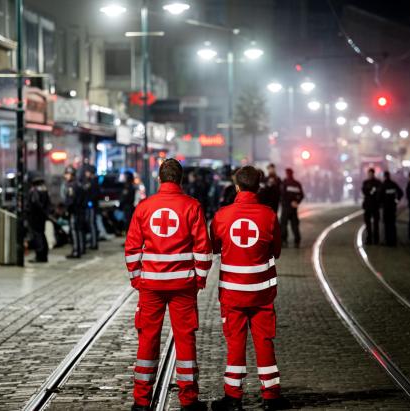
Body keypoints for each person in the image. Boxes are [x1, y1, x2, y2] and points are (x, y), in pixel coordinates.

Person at [124, 159, 212, 411]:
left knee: (147, 338)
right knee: (185, 339)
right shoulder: (192, 206)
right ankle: (189, 400)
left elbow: (131, 247)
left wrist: (137, 277)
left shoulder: (144, 207)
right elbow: (202, 248)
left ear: (160, 179)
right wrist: (200, 278)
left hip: (150, 286)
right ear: (181, 179)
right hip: (183, 285)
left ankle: (141, 400)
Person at [210, 166, 287, 411]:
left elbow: (213, 247)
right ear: (258, 187)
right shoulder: (269, 215)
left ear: (237, 187)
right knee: (264, 340)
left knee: (235, 342)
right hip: (262, 292)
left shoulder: (222, 215)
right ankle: (271, 396)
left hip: (232, 293)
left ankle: (233, 397)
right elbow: (276, 251)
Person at [26, 174, 51, 263]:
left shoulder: (34, 191)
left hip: (35, 216)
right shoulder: (44, 189)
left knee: (37, 235)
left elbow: (35, 203)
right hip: (42, 216)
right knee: (42, 234)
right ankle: (44, 254)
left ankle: (40, 255)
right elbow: (48, 204)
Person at [63, 166, 85, 258]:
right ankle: (81, 249)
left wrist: (67, 210)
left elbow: (70, 200)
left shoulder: (71, 186)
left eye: (68, 174)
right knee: (79, 230)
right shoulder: (78, 184)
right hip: (79, 210)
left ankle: (76, 251)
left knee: (74, 231)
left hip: (74, 211)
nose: (66, 176)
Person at [280, 168, 304, 248]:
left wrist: (290, 202)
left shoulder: (284, 183)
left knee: (283, 224)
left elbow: (282, 195)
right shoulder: (297, 183)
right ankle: (297, 241)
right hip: (294, 209)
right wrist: (296, 202)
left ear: (286, 174)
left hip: (286, 208)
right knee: (295, 225)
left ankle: (284, 241)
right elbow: (301, 195)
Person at [380, 171, 403, 246]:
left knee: (386, 224)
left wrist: (382, 203)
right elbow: (401, 193)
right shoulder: (393, 184)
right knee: (392, 224)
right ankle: (393, 240)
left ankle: (387, 241)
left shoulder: (383, 185)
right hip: (393, 207)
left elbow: (378, 196)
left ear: (384, 176)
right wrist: (396, 201)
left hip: (386, 208)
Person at [362, 168, 382, 245]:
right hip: (367, 205)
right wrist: (372, 191)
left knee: (376, 224)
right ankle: (369, 239)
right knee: (368, 224)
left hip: (375, 206)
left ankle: (376, 239)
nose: (370, 175)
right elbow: (364, 192)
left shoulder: (378, 182)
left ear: (373, 174)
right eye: (369, 174)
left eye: (371, 174)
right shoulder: (365, 182)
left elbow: (379, 192)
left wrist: (371, 192)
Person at [82, 165, 100, 250]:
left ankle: (94, 243)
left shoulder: (93, 182)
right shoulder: (90, 181)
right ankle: (93, 242)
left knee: (92, 223)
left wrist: (90, 202)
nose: (86, 174)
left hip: (92, 206)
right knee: (91, 223)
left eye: (87, 172)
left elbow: (94, 195)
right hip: (90, 205)